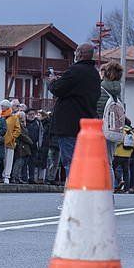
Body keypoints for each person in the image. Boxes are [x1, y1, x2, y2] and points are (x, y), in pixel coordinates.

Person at [47, 42, 100, 176]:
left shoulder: (75, 71)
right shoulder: (94, 74)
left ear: (80, 54)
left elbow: (58, 89)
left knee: (70, 160)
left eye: (76, 52)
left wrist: (53, 81)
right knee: (83, 160)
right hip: (86, 122)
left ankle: (74, 190)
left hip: (69, 124)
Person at [0, 100, 22, 183]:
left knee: (9, 160)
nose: (1, 108)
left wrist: (12, 137)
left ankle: (6, 176)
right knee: (2, 160)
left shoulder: (14, 117)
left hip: (10, 142)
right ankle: (1, 175)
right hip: (1, 141)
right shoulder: (1, 116)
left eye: (3, 106)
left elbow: (18, 129)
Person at [113, 118, 134, 192]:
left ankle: (118, 181)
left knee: (112, 169)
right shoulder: (132, 131)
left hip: (118, 153)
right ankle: (126, 189)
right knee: (126, 172)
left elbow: (118, 142)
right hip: (127, 155)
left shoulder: (121, 130)